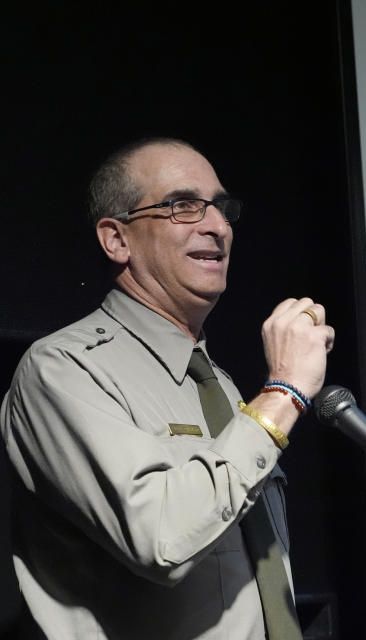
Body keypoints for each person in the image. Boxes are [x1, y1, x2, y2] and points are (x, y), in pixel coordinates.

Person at [0, 137, 334, 639]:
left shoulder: (217, 382)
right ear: (117, 239)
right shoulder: (63, 369)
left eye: (222, 209)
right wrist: (284, 393)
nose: (218, 226)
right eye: (183, 206)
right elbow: (161, 537)